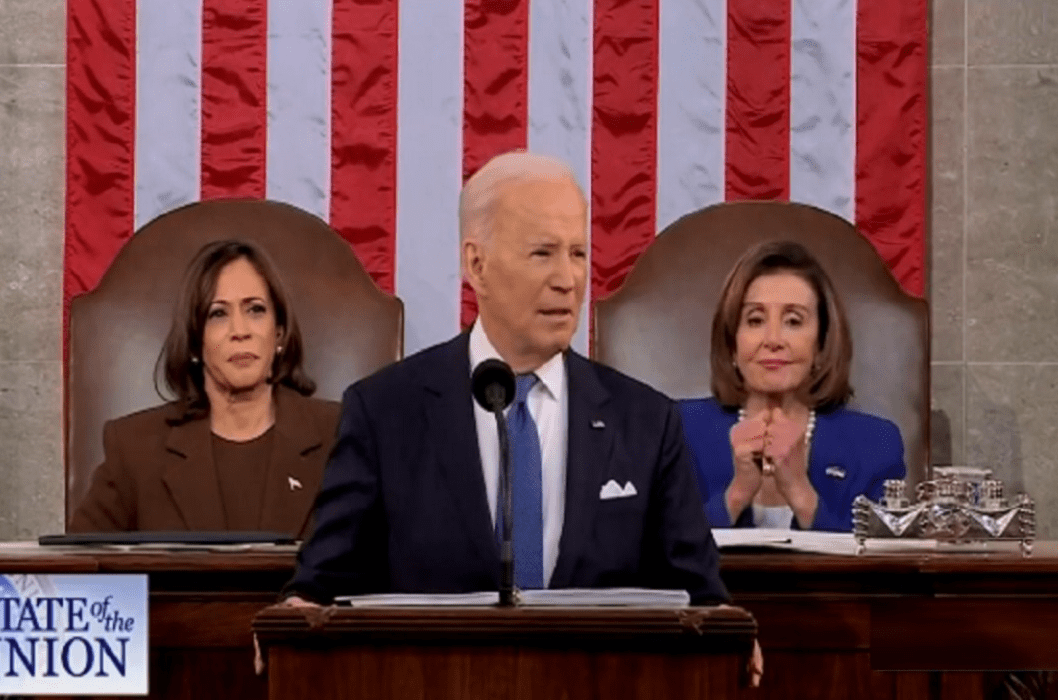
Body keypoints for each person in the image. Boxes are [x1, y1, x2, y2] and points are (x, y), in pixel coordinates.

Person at [282, 152, 729, 606]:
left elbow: (700, 599)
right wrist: (298, 614)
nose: (568, 280)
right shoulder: (384, 413)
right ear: (477, 266)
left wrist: (725, 629)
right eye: (542, 253)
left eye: (578, 254)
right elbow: (321, 588)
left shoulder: (646, 422)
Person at [69, 240, 341, 536]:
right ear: (195, 342)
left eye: (256, 310)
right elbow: (75, 578)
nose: (240, 331)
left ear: (279, 333)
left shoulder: (340, 436)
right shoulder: (135, 449)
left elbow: (383, 564)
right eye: (218, 314)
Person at [678, 240, 906, 532]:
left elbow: (883, 570)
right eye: (755, 319)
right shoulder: (679, 432)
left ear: (822, 345)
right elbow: (657, 555)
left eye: (794, 321)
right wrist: (735, 496)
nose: (773, 339)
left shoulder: (877, 444)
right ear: (732, 344)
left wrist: (801, 494)